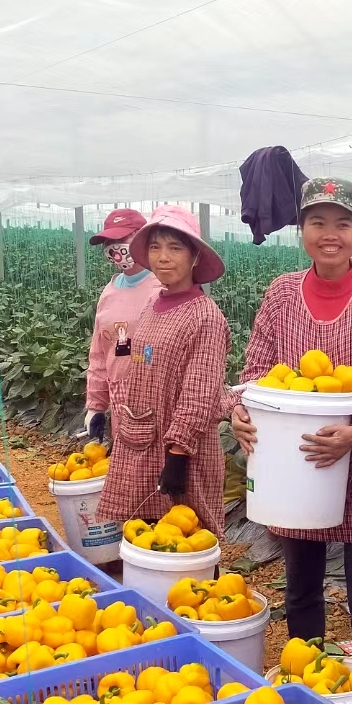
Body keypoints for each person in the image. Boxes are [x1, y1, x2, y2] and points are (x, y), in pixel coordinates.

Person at [230, 178, 352, 671]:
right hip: (298, 463)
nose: (330, 234)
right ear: (301, 229)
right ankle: (308, 685)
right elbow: (255, 370)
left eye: (343, 224)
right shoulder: (282, 293)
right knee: (302, 590)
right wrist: (240, 411)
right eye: (318, 222)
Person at [96, 205, 230, 537]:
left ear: (195, 256)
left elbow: (200, 393)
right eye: (155, 247)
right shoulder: (152, 303)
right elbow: (137, 360)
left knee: (185, 538)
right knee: (143, 538)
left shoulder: (205, 317)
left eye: (175, 248)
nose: (163, 257)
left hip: (182, 452)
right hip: (141, 437)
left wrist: (178, 453)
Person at [83, 208, 161, 444]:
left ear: (143, 237)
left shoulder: (162, 287)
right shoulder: (110, 291)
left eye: (120, 239)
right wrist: (95, 406)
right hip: (120, 399)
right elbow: (99, 354)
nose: (114, 248)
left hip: (157, 399)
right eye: (108, 242)